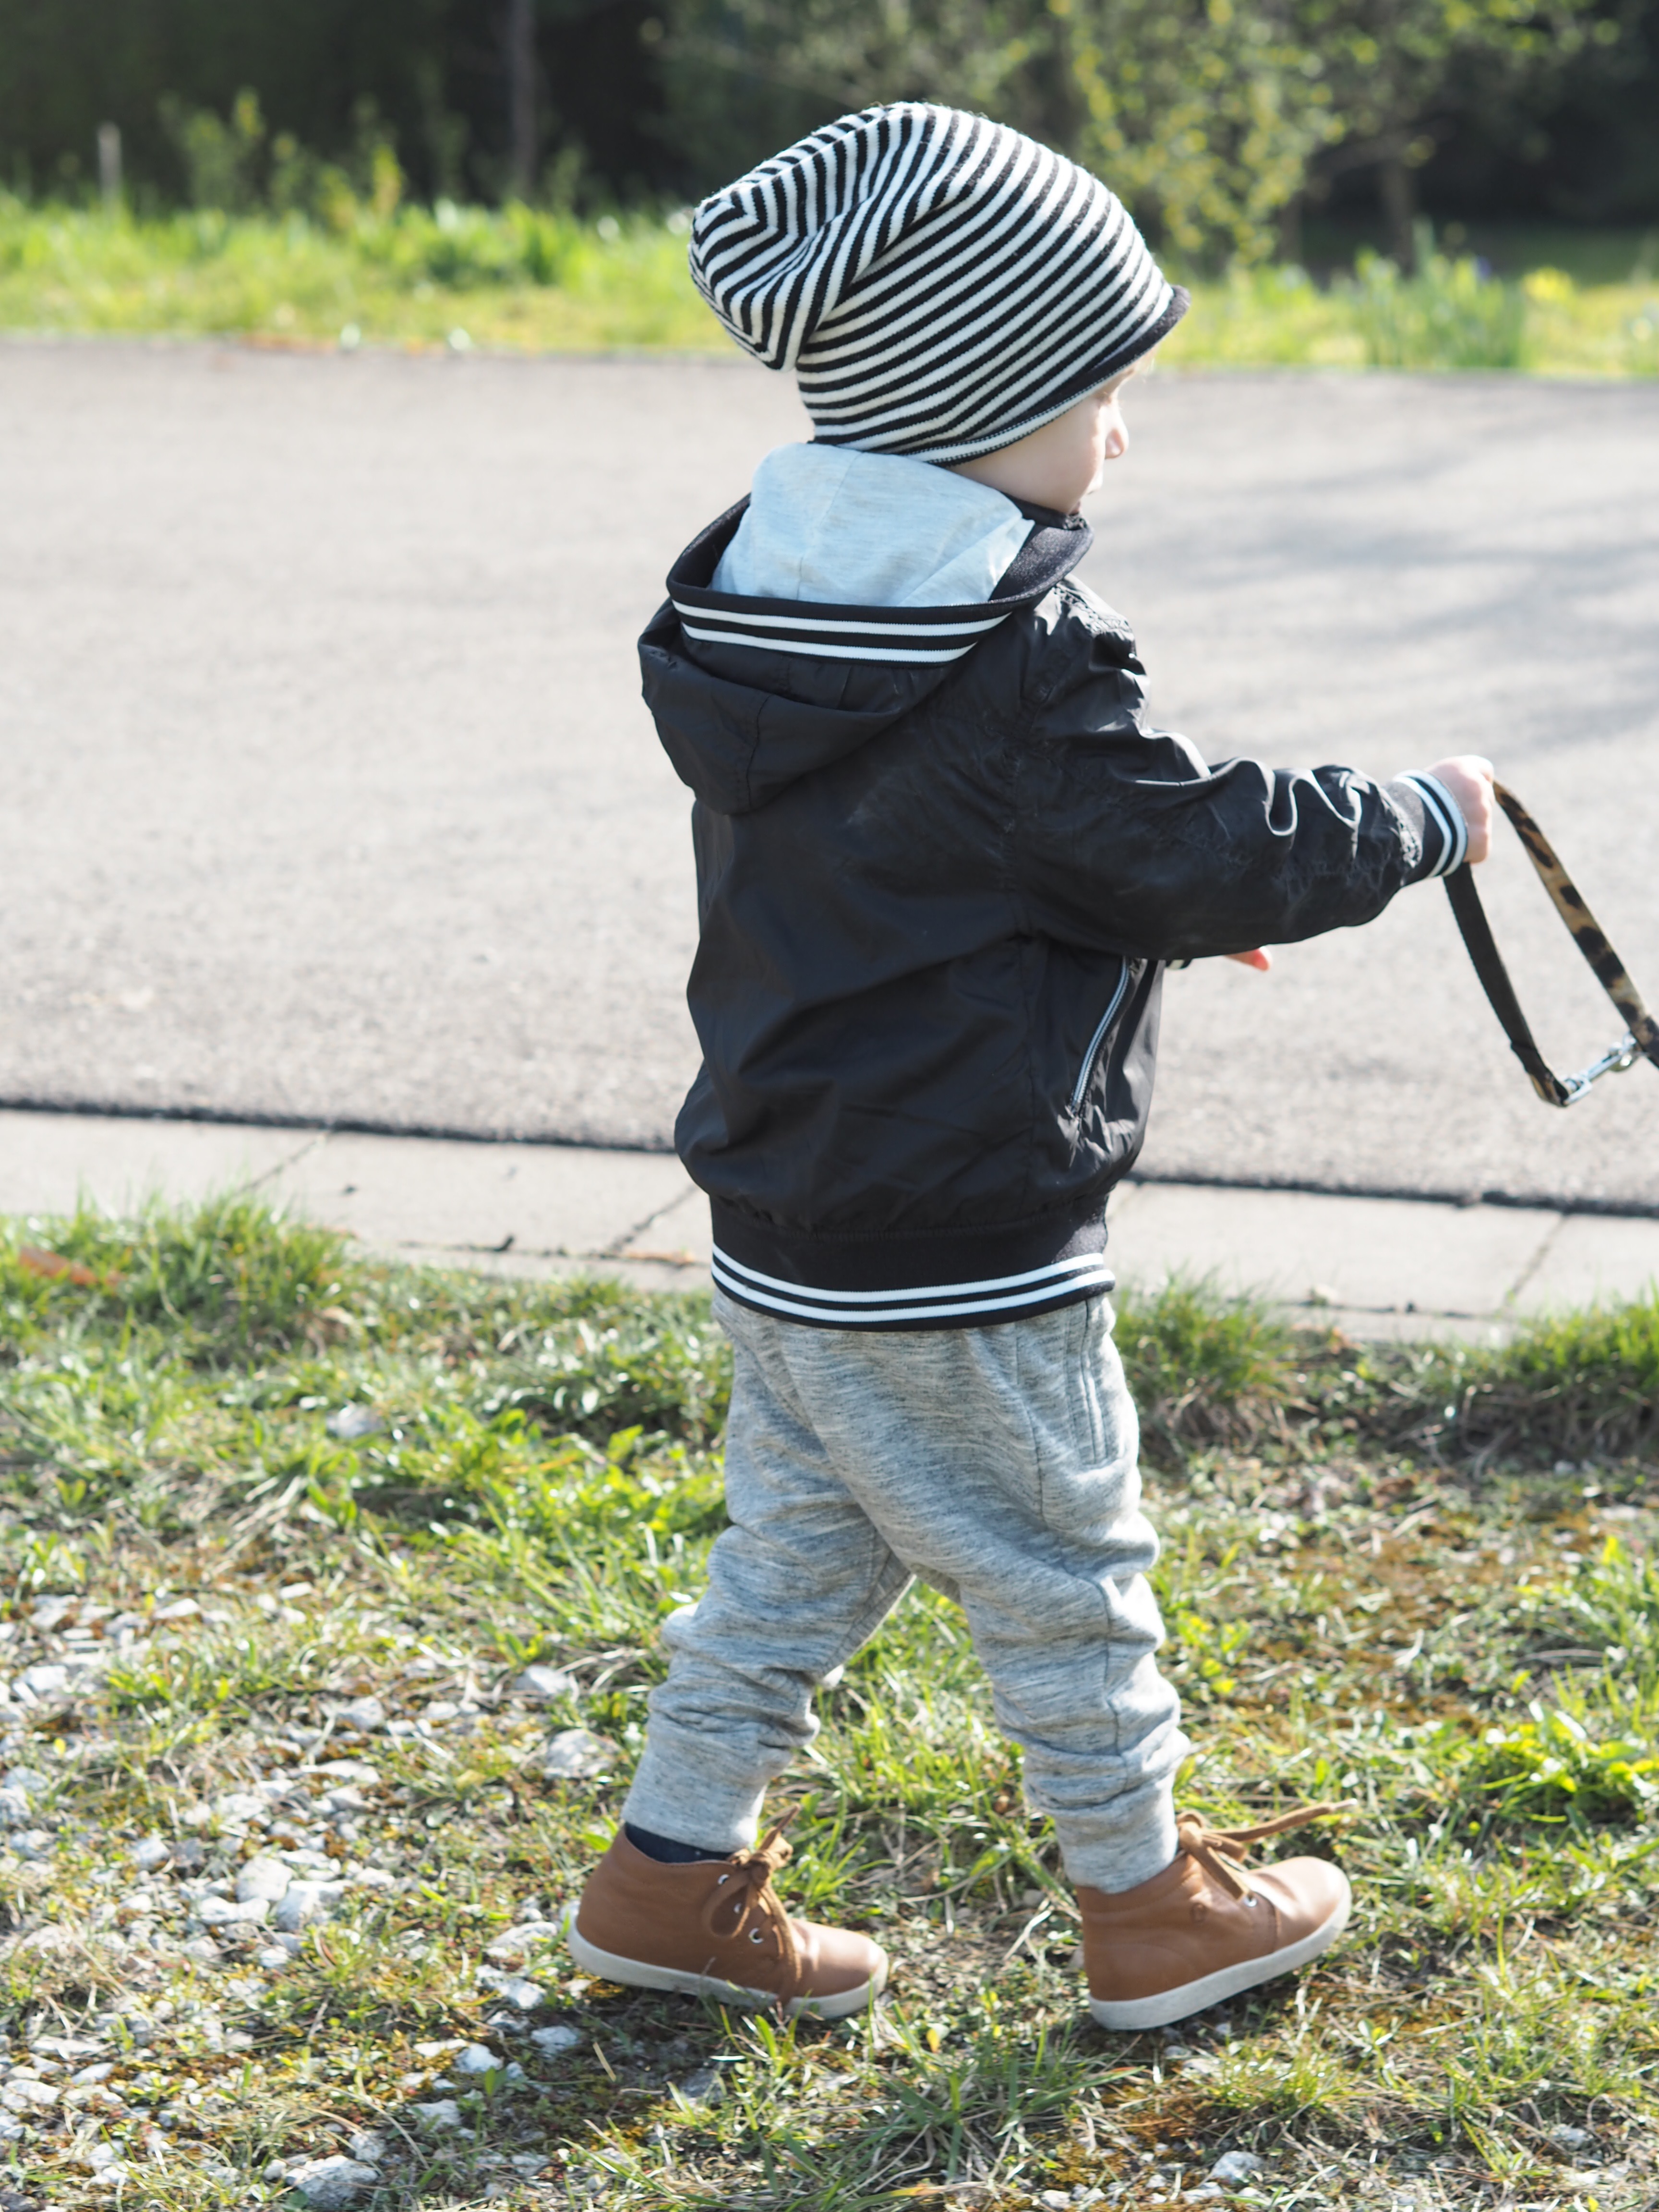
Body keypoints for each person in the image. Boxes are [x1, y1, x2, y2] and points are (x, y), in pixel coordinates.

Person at [569, 102, 1494, 2032]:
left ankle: (666, 1881)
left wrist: (1113, 902)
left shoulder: (769, 607)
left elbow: (961, 862)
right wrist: (1419, 818)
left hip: (788, 1197)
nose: (1122, 426)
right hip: (963, 1226)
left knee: (796, 1563)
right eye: (1099, 385)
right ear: (971, 392)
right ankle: (1149, 1906)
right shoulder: (1007, 652)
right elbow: (1172, 832)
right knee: (1068, 1561)